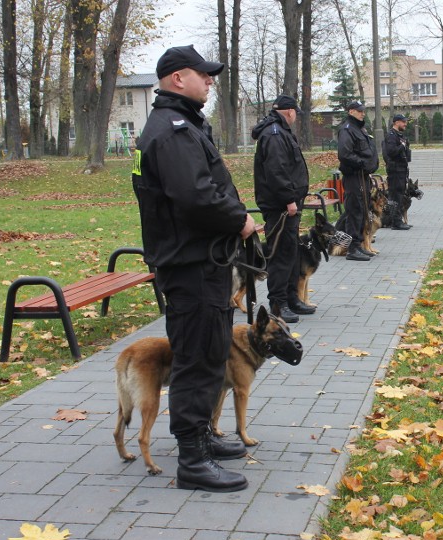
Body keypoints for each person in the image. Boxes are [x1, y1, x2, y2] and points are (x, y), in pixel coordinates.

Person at [132, 45, 256, 493]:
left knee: (209, 351)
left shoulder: (176, 125)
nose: (210, 82)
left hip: (201, 260)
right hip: (191, 264)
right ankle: (192, 459)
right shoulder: (172, 130)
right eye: (204, 75)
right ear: (178, 78)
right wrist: (238, 220)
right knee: (197, 359)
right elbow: (196, 197)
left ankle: (202, 435)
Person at [252, 94, 314, 323]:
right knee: (280, 255)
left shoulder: (280, 131)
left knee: (291, 252)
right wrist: (289, 200)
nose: (296, 117)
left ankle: (291, 298)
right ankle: (278, 304)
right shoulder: (275, 134)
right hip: (280, 207)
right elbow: (277, 171)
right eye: (296, 112)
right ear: (289, 111)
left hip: (288, 206)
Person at [337, 100, 379, 261]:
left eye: (363, 111)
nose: (363, 113)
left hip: (363, 177)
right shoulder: (347, 130)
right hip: (354, 176)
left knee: (362, 211)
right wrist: (362, 163)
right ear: (351, 112)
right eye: (359, 111)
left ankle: (360, 245)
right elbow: (345, 154)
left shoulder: (359, 129)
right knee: (354, 211)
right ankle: (352, 248)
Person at [382, 114, 412, 230]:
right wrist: (402, 146)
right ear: (396, 122)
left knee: (400, 195)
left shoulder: (400, 136)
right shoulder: (391, 136)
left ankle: (398, 221)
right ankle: (395, 222)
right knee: (395, 196)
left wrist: (405, 146)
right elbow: (390, 152)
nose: (405, 124)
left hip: (402, 169)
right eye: (403, 122)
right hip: (395, 170)